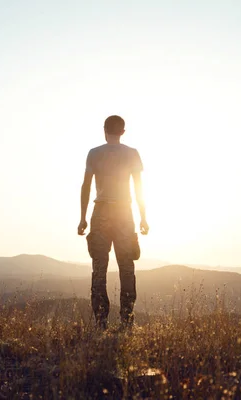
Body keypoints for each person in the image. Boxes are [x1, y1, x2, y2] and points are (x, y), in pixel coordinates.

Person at [78, 115, 149, 330]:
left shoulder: (94, 153)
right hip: (124, 213)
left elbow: (86, 186)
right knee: (127, 267)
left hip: (100, 212)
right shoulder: (132, 154)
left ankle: (101, 322)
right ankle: (127, 320)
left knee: (99, 268)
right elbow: (139, 189)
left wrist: (82, 218)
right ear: (123, 132)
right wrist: (143, 217)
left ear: (104, 130)